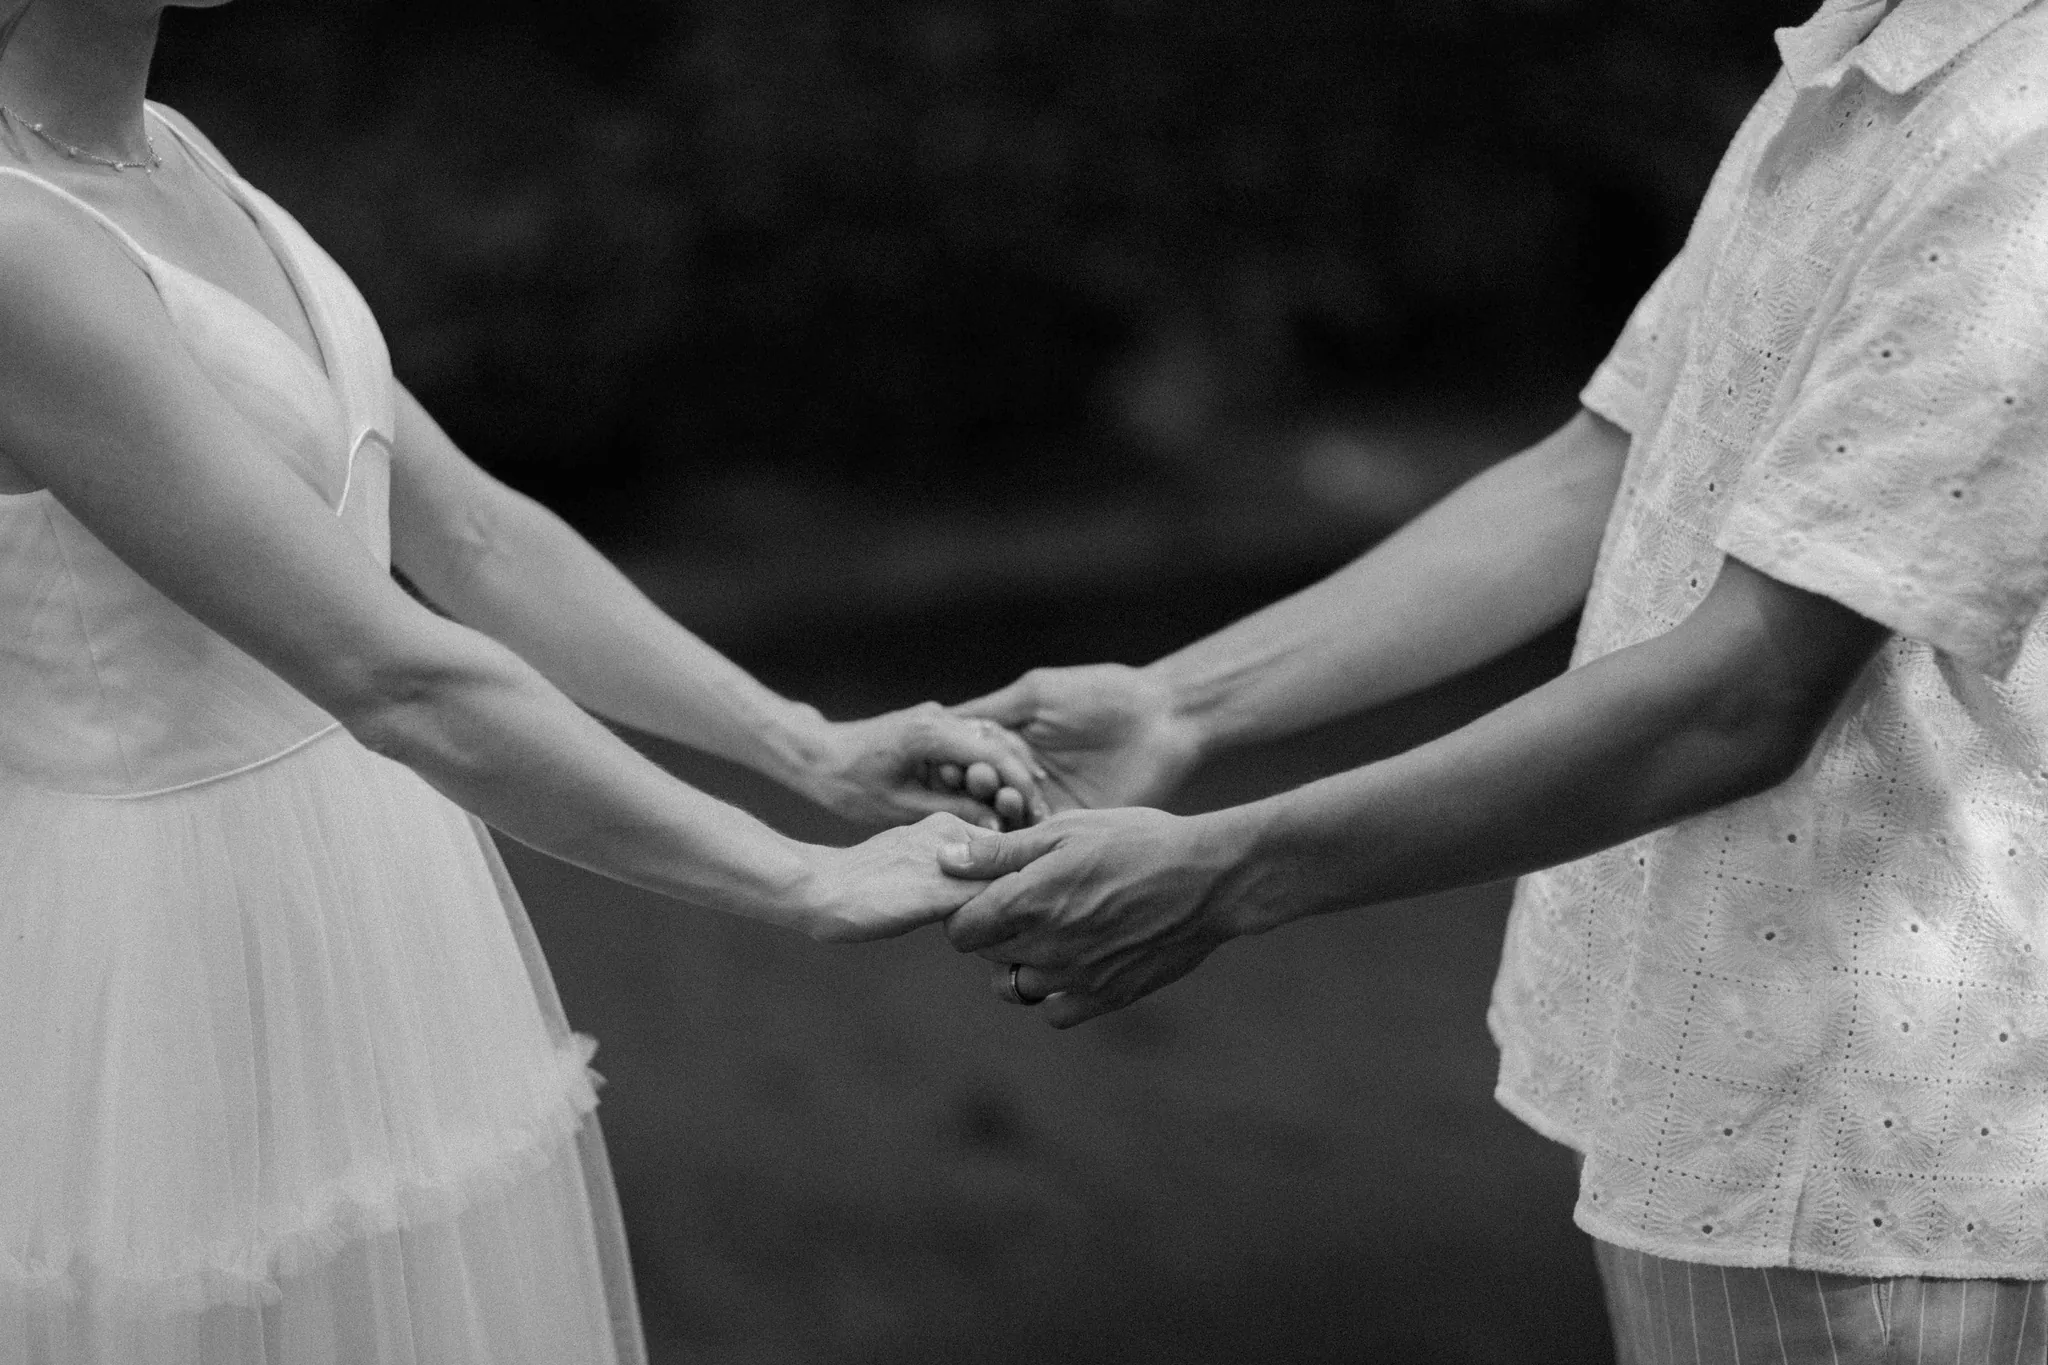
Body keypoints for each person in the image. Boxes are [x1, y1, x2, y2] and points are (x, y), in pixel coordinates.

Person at [939, 0, 2048, 1358]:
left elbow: (1743, 694)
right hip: (1745, 1092)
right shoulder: (1854, 68)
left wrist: (1231, 871)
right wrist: (1182, 706)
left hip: (1897, 1168)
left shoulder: (2024, 130)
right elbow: (1598, 467)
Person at [0, 0, 1046, 1361]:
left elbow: (470, 536)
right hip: (162, 982)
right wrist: (793, 875)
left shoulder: (174, 154)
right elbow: (392, 675)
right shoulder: (18, 251)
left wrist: (805, 746)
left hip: (374, 916)